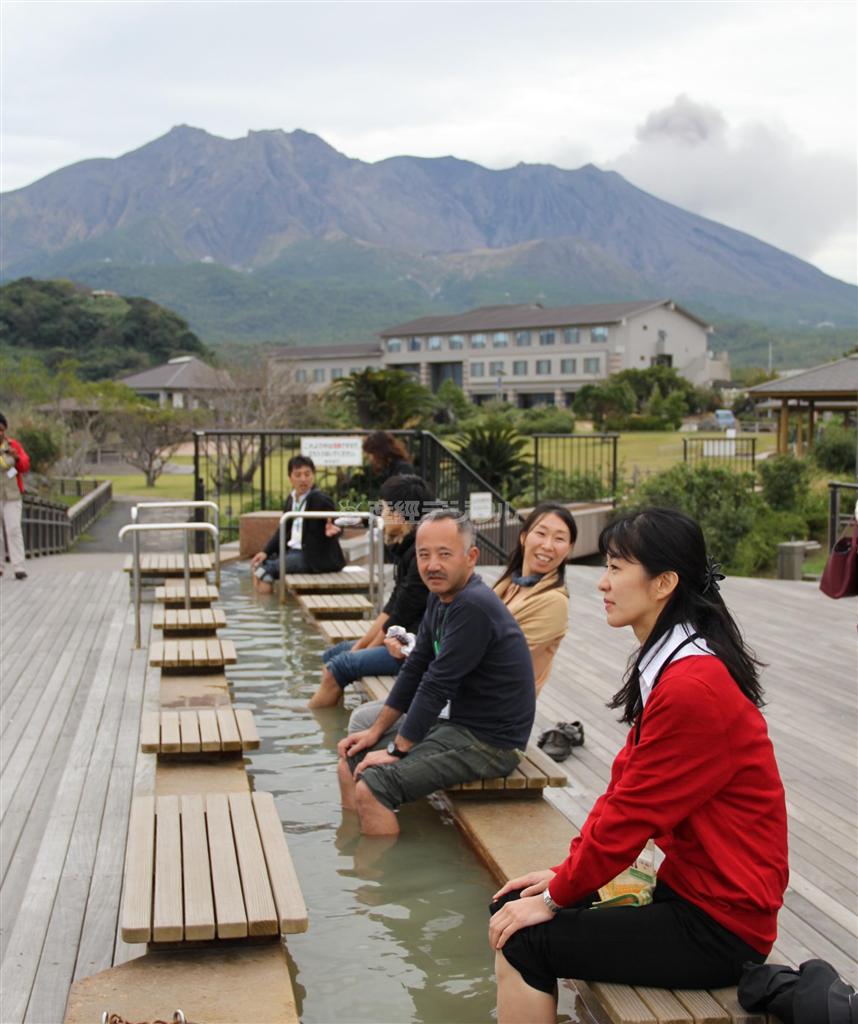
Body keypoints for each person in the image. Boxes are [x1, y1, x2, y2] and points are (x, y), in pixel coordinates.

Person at [488, 507, 788, 1024]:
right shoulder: (674, 662)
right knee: (511, 905)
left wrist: (560, 896)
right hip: (690, 892)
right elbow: (623, 787)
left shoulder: (693, 686)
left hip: (720, 926)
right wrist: (564, 879)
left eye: (616, 568)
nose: (602, 584)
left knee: (525, 942)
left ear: (664, 583)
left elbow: (631, 816)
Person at [337, 510, 536, 836]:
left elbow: (436, 684)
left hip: (492, 743)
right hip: (458, 724)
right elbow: (416, 668)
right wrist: (375, 734)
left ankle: (378, 882)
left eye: (444, 554)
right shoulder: (441, 597)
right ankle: (350, 841)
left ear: (471, 557)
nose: (432, 565)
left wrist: (396, 750)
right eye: (423, 554)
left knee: (373, 787)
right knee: (350, 757)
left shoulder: (472, 605)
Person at [308, 474, 434, 708]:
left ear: (400, 514)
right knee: (334, 654)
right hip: (400, 637)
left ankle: (313, 719)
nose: (381, 517)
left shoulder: (421, 554)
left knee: (340, 665)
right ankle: (326, 709)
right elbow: (393, 606)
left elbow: (400, 616)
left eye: (384, 510)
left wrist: (361, 652)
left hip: (414, 650)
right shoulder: (408, 547)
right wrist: (359, 647)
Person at [493, 502, 576, 694]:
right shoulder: (509, 584)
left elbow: (500, 658)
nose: (547, 546)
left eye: (559, 539)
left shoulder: (555, 601)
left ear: (569, 549)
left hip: (500, 709)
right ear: (523, 537)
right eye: (541, 533)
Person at [251, 455, 344, 593]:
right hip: (295, 553)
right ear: (290, 478)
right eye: (298, 475)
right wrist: (265, 552)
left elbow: (336, 523)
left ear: (313, 475)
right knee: (258, 565)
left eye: (307, 474)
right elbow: (283, 530)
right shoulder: (292, 498)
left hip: (314, 558)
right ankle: (263, 605)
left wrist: (334, 529)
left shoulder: (320, 499)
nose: (303, 479)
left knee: (264, 572)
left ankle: (269, 610)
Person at [0, 413, 30, 580]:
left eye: (1, 429)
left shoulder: (13, 445)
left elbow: (25, 465)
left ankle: (18, 566)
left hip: (12, 494)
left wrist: (16, 457)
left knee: (13, 530)